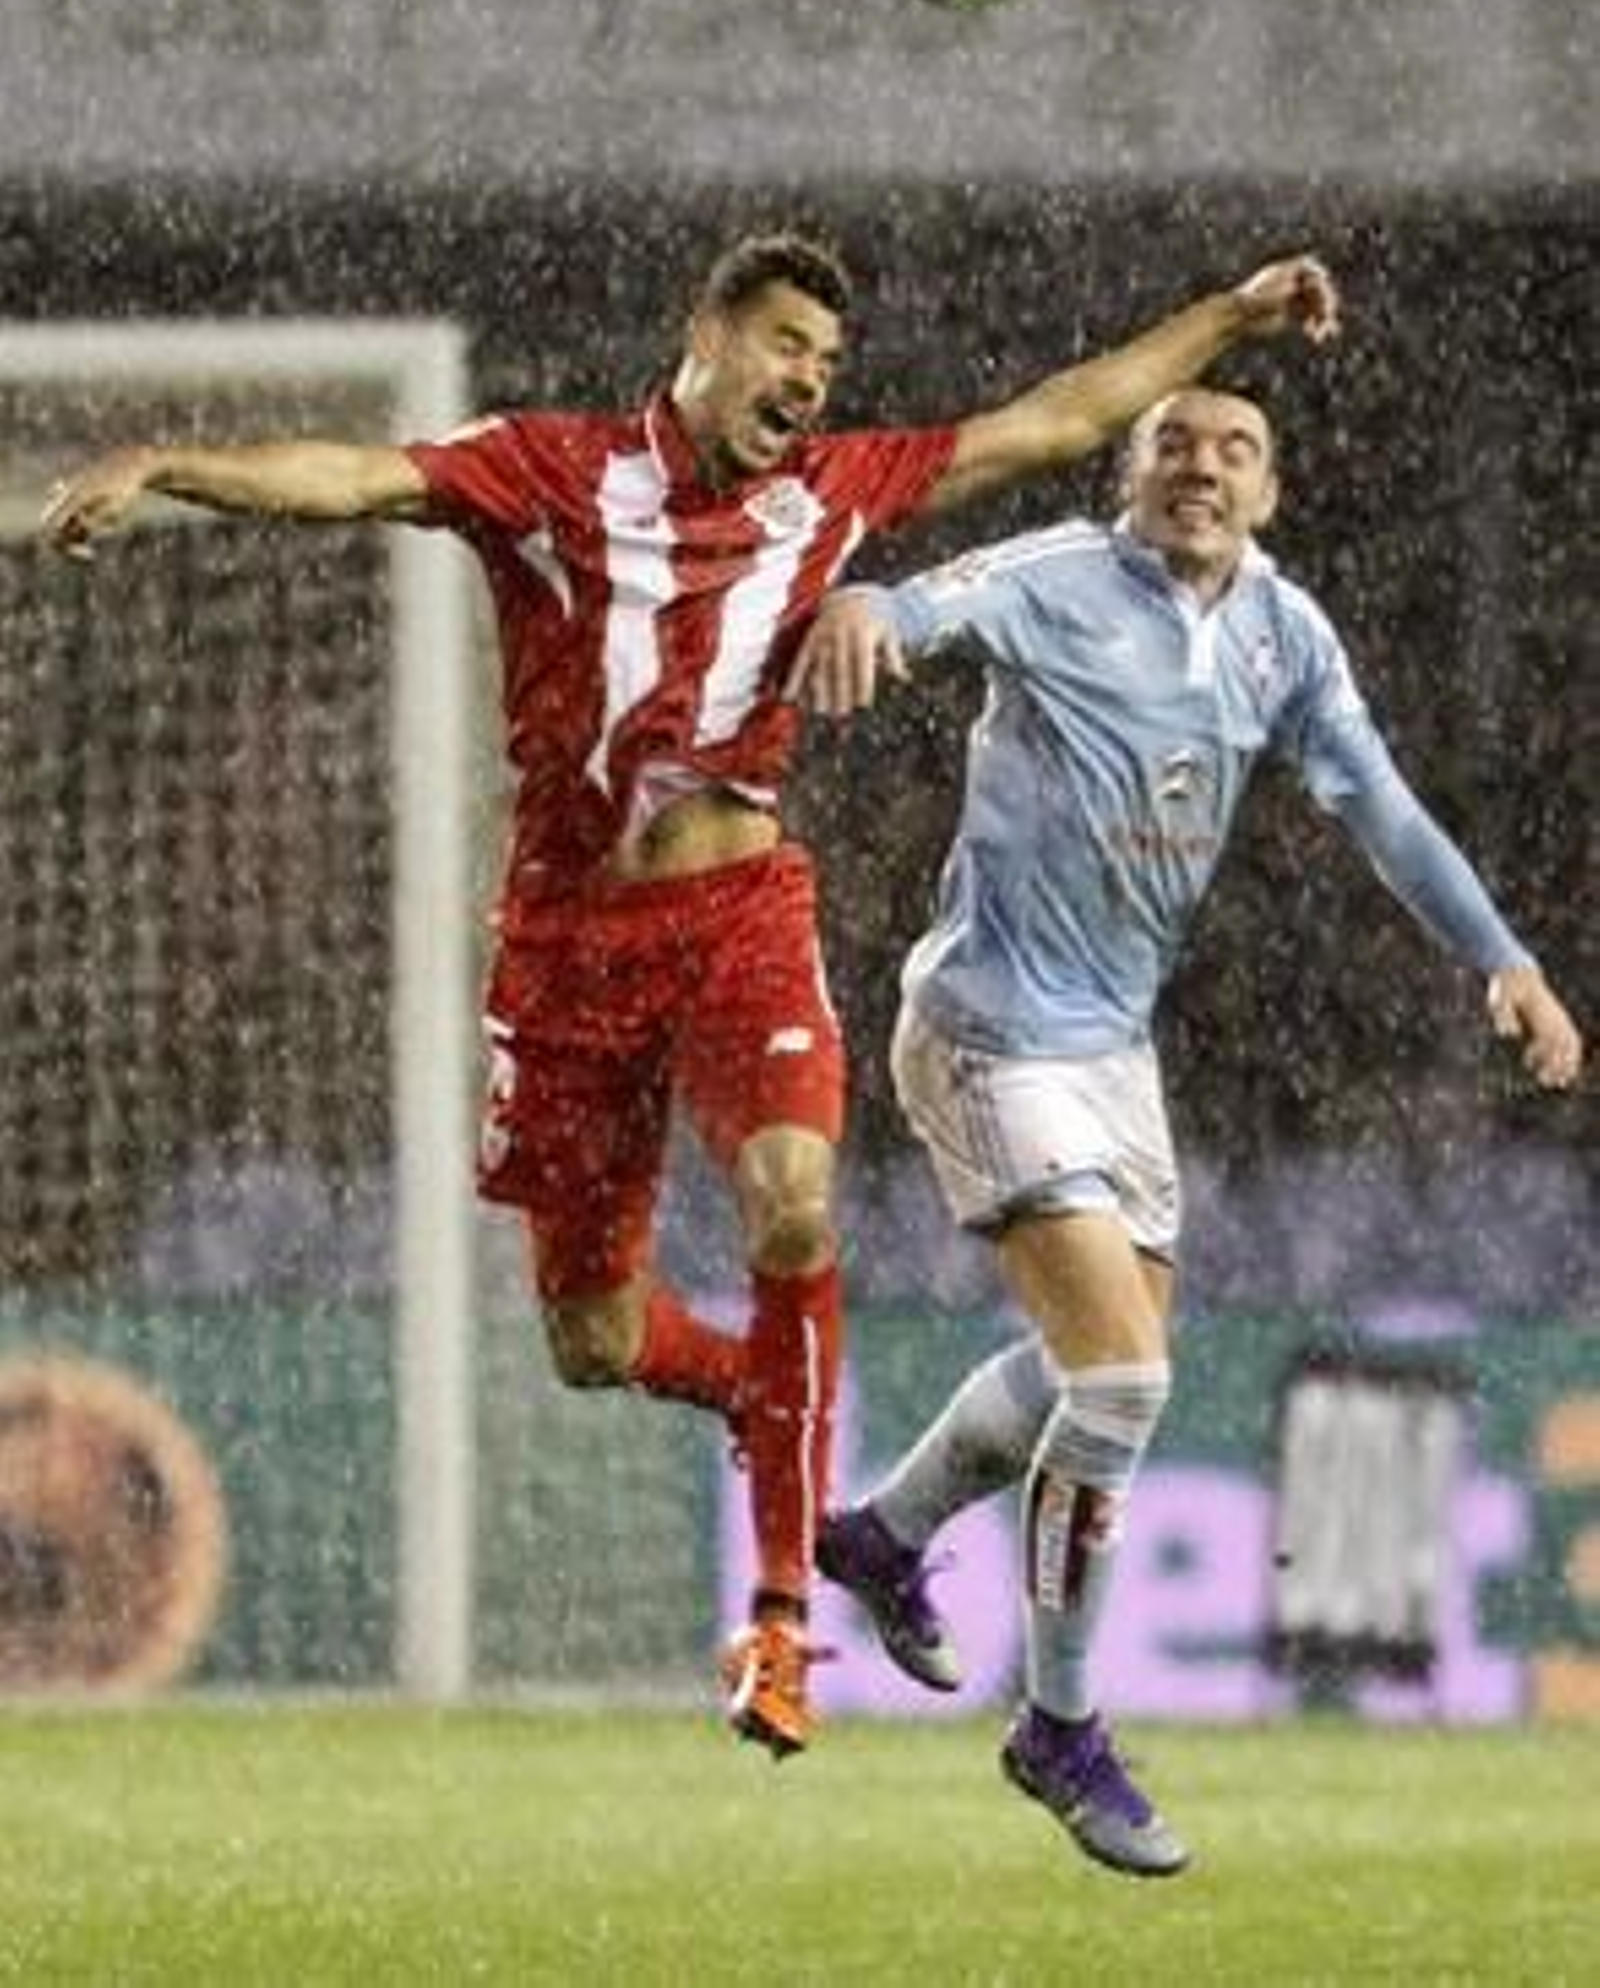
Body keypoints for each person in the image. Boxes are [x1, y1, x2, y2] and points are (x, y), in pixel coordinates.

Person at [41, 236, 1342, 1759]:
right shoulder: (551, 473)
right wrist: (165, 465)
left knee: (794, 1200)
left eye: (826, 364)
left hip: (739, 914)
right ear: (704, 335)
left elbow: (1058, 419)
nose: (806, 379)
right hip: (568, 948)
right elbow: (353, 474)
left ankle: (783, 1621)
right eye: (784, 343)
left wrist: (1231, 315)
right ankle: (757, 1394)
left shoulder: (831, 494)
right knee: (592, 1341)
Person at [790, 384, 1583, 1865]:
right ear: (1129, 476)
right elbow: (920, 602)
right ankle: (1061, 1727)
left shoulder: (1286, 635)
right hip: (986, 1029)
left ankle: (882, 1537)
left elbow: (1383, 810)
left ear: (1270, 492)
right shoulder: (1060, 580)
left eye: (1235, 451)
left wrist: (1503, 960)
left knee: (1088, 1375)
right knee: (1124, 1390)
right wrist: (862, 610)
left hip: (1113, 1050)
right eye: (1173, 446)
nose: (1202, 468)